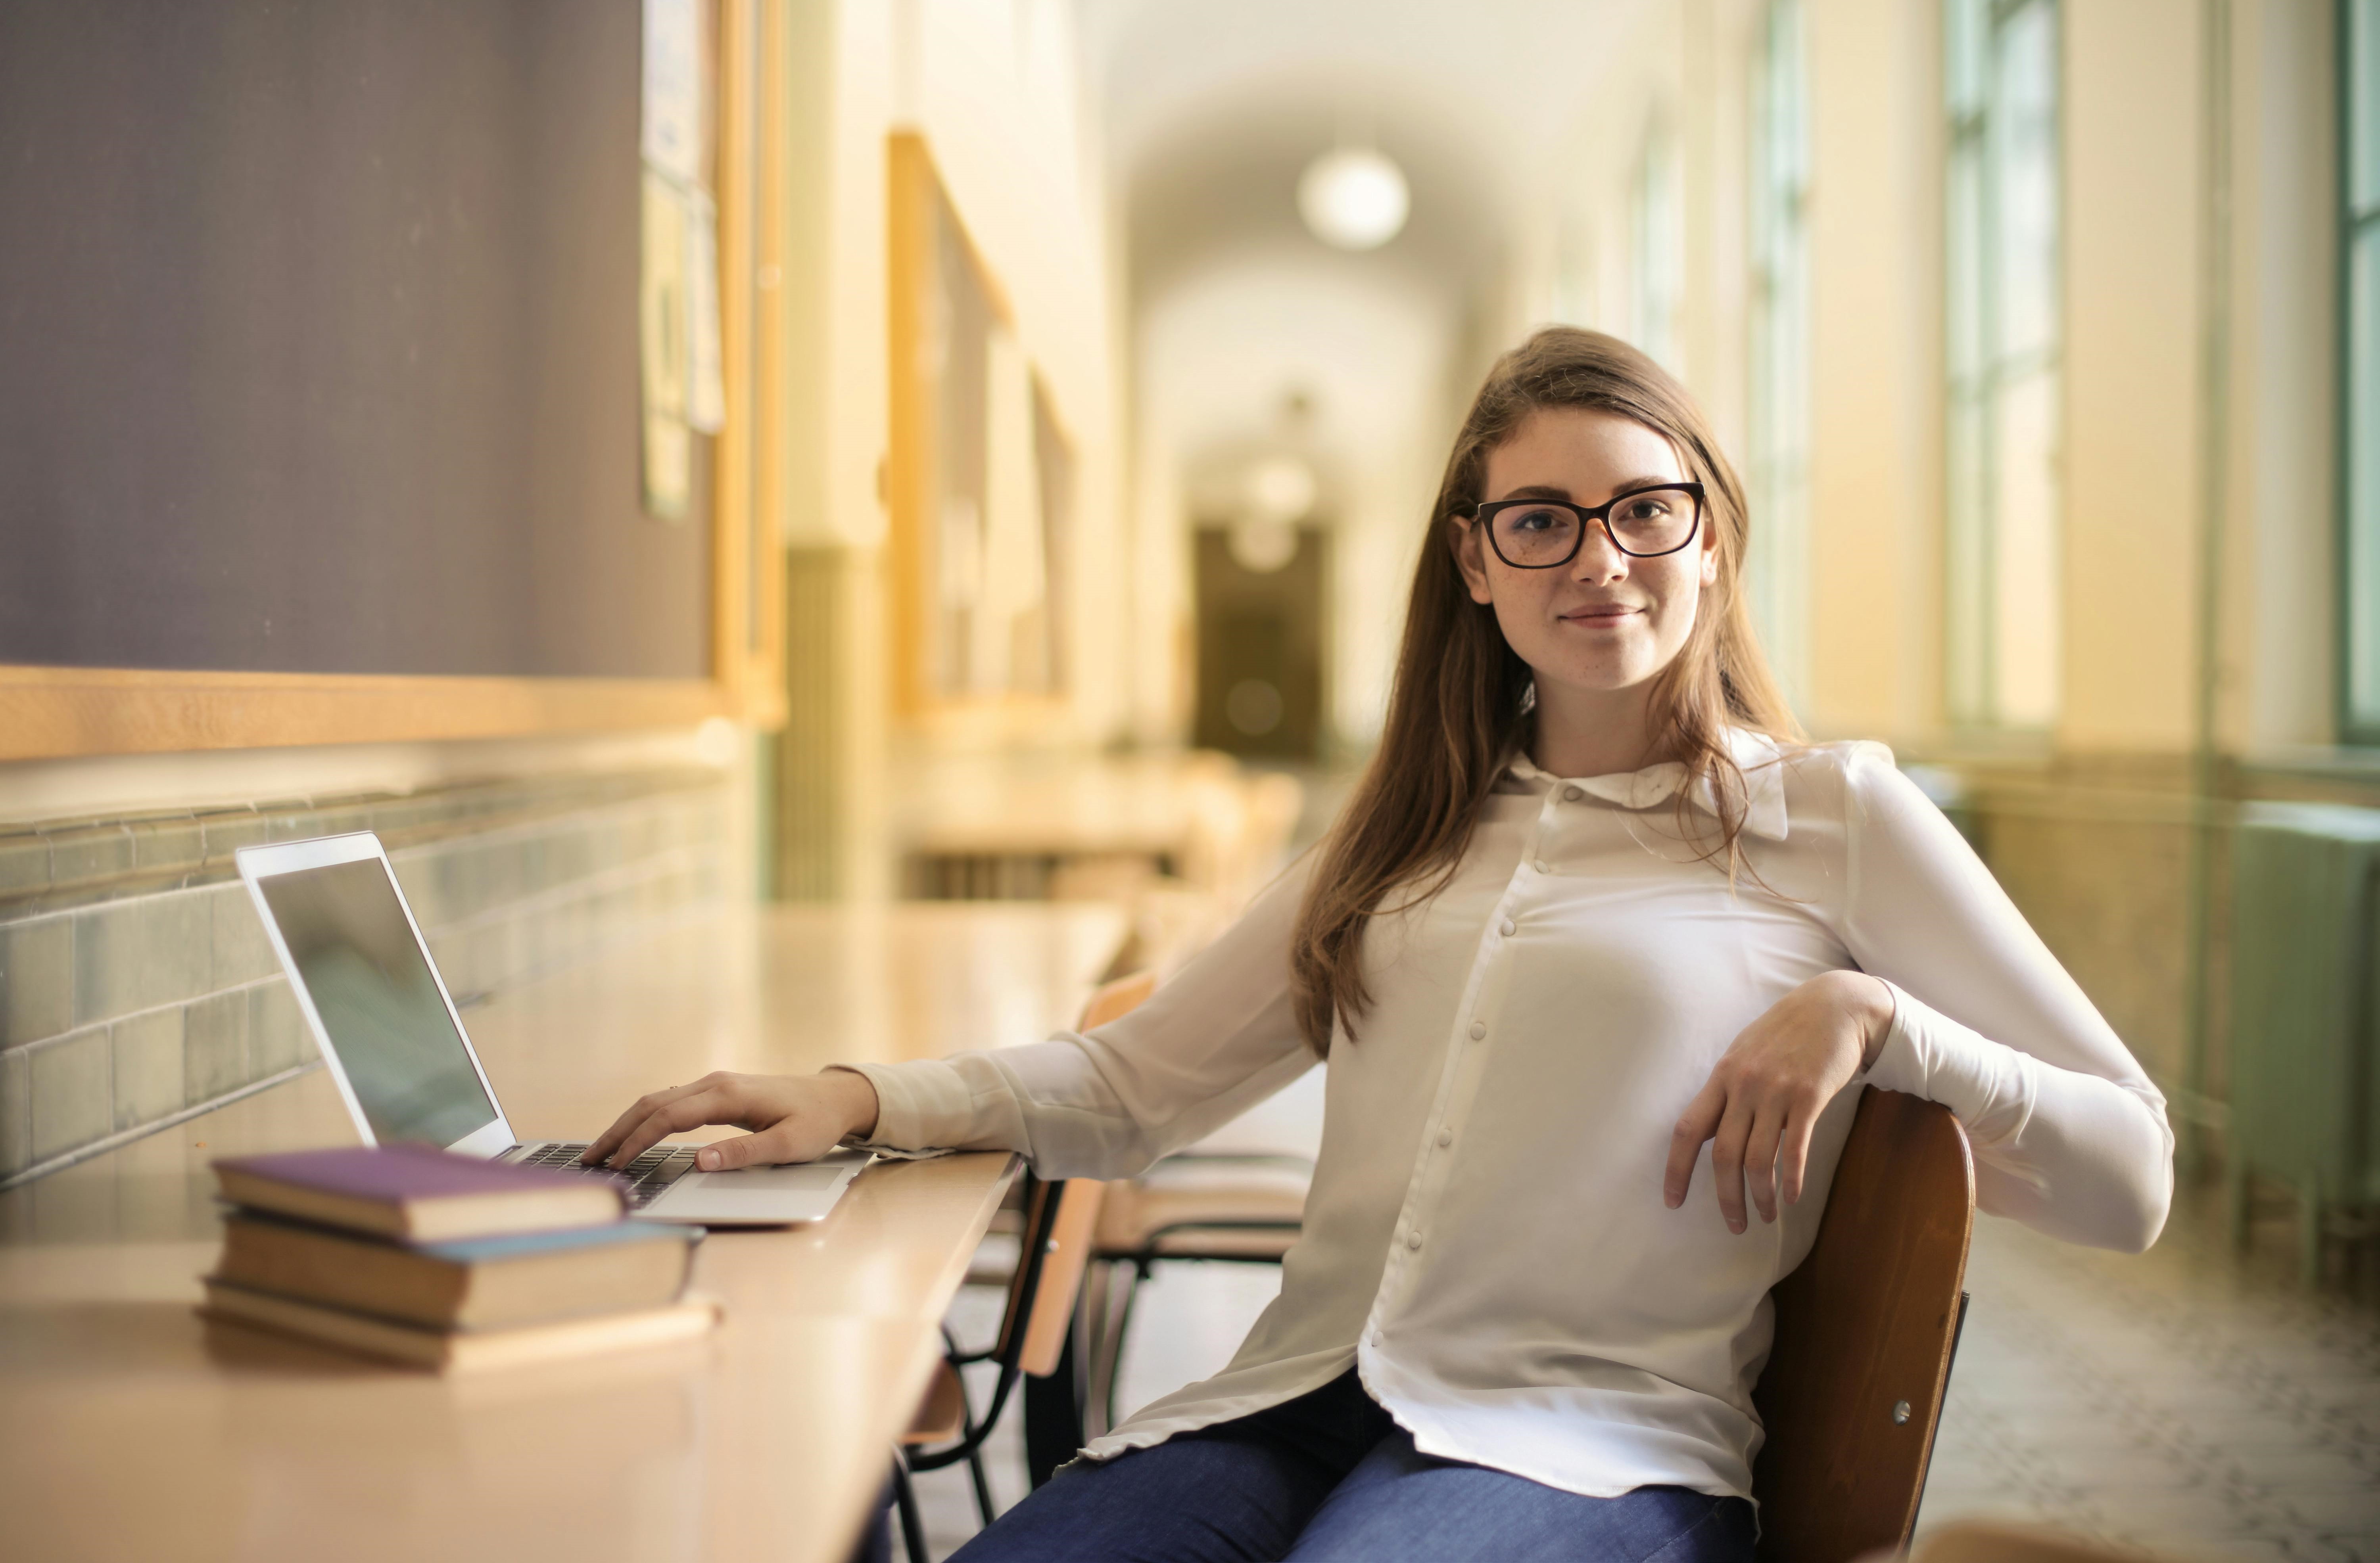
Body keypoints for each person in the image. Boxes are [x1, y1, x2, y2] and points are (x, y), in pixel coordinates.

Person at [583, 328, 2173, 1562]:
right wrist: (860, 1098)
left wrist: (1881, 1019)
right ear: (1475, 563)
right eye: (1540, 521)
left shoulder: (1833, 815)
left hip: (1589, 1451)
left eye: (1644, 509)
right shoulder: (1406, 824)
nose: (1599, 559)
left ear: (1711, 536)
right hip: (1288, 1405)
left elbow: (2132, 1175)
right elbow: (1130, 1087)